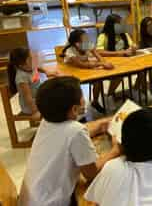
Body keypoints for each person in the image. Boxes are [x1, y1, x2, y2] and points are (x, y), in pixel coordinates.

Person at [19, 77, 120, 206]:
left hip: (32, 199)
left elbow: (67, 138)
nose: (84, 100)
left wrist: (98, 127)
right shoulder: (75, 131)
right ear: (74, 109)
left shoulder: (47, 121)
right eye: (82, 97)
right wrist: (116, 150)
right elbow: (91, 173)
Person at [61, 29, 114, 113]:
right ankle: (78, 108)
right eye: (85, 39)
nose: (87, 40)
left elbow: (98, 56)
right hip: (73, 73)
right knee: (75, 88)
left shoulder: (86, 44)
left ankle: (95, 102)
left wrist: (104, 62)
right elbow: (81, 65)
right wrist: (101, 64)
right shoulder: (69, 51)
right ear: (77, 44)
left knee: (98, 80)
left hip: (86, 70)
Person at [7, 48, 58, 120]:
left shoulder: (29, 68)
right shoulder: (21, 78)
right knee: (56, 104)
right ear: (21, 65)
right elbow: (28, 98)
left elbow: (37, 68)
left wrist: (47, 71)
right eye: (30, 60)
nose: (34, 61)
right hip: (30, 106)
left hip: (38, 98)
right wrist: (35, 111)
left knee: (57, 96)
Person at [96, 14, 137, 101]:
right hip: (112, 63)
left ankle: (136, 90)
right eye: (119, 24)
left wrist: (133, 47)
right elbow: (99, 52)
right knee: (119, 75)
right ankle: (109, 96)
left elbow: (131, 45)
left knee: (141, 71)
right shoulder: (103, 36)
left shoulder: (124, 34)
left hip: (126, 61)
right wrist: (120, 52)